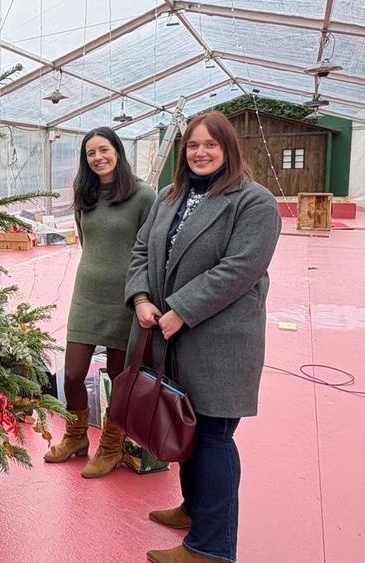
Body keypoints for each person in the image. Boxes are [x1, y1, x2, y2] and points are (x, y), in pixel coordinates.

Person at [124, 111, 281, 563]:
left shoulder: (254, 202)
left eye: (211, 144)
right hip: (169, 334)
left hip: (219, 341)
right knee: (186, 426)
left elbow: (240, 268)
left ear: (229, 148)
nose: (201, 152)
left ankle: (211, 547)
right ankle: (194, 508)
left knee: (213, 436)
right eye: (193, 145)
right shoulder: (170, 196)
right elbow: (141, 249)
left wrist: (182, 310)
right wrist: (140, 298)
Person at [45, 127, 155, 479]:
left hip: (126, 298)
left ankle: (112, 445)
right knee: (73, 374)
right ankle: (76, 437)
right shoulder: (85, 194)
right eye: (90, 153)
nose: (97, 158)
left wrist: (142, 295)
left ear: (118, 152)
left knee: (119, 377)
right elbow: (87, 243)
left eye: (103, 150)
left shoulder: (142, 196)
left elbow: (150, 250)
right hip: (87, 295)